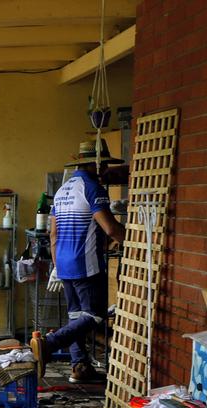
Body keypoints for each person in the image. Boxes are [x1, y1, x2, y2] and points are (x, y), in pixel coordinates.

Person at [30, 139, 125, 384]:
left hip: (63, 263)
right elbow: (110, 227)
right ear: (97, 163)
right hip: (86, 263)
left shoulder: (62, 190)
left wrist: (57, 266)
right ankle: (48, 343)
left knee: (76, 316)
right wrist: (134, 239)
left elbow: (53, 234)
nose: (104, 169)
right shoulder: (92, 188)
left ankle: (79, 366)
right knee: (94, 316)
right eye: (103, 164)